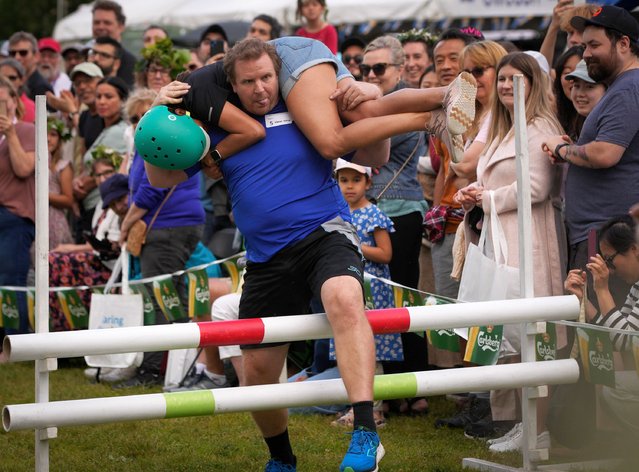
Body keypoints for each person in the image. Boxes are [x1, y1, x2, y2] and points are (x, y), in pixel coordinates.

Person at [145, 38, 383, 472]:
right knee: (257, 371)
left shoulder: (307, 108)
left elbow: (374, 153)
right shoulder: (213, 126)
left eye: (267, 78)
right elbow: (161, 176)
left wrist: (370, 97)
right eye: (249, 82)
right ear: (232, 86)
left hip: (324, 234)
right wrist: (158, 113)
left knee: (345, 298)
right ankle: (281, 459)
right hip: (265, 257)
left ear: (280, 74)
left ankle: (365, 431)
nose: (260, 89)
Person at [455, 52, 565, 452]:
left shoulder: (540, 128)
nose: (505, 86)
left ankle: (538, 428)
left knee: (531, 335)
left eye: (513, 79)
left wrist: (489, 198)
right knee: (505, 334)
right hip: (498, 237)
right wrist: (472, 196)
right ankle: (517, 423)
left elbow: (537, 187)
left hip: (529, 237)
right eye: (501, 78)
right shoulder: (503, 128)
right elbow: (488, 179)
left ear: (534, 82)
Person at [542, 5, 639, 306]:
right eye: (584, 46)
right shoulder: (622, 87)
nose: (585, 54)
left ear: (623, 44)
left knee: (602, 341)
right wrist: (571, 150)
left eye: (595, 45)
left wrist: (562, 149)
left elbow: (606, 153)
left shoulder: (627, 88)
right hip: (601, 234)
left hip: (605, 236)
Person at [360, 35, 429, 415]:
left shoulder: (404, 102)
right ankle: (391, 387)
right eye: (366, 68)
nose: (371, 74)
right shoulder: (371, 102)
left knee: (404, 297)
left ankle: (415, 385)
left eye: (380, 68)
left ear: (401, 70)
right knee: (377, 302)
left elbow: (370, 137)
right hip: (370, 209)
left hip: (401, 209)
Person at [331, 158, 401, 428]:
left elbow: (386, 254)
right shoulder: (336, 214)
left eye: (356, 180)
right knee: (349, 345)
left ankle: (376, 410)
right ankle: (355, 406)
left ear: (368, 182)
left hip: (373, 292)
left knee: (374, 349)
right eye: (343, 180)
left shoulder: (374, 215)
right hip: (347, 286)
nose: (349, 187)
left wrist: (355, 245)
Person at [564, 215, 639, 436]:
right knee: (615, 384)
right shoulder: (636, 288)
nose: (609, 270)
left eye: (609, 260)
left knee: (617, 390)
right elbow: (613, 335)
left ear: (634, 249)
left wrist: (602, 289)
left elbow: (626, 340)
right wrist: (584, 300)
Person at [0, 75, 35, 337]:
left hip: (15, 216)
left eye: (3, 102)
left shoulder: (28, 130)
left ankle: (16, 339)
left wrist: (10, 133)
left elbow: (24, 169)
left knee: (11, 280)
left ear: (14, 101)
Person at [91, 0, 136, 87]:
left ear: (121, 26)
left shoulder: (131, 64)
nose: (101, 27)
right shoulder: (83, 56)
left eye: (107, 23)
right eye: (96, 22)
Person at [47, 116, 74, 250]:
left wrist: (43, 195)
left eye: (53, 134)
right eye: (45, 133)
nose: (48, 139)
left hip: (54, 222)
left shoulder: (62, 166)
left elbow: (68, 199)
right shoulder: (30, 163)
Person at [7, 31, 53, 99]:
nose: (17, 57)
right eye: (12, 53)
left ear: (36, 56)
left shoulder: (41, 87)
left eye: (23, 53)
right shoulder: (9, 84)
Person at [552, 45, 584, 142]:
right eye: (567, 72)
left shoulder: (597, 118)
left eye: (580, 72)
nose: (573, 78)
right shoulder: (555, 115)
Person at [0, 58, 35, 122]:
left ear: (22, 80)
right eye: (2, 77)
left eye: (12, 78)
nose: (7, 81)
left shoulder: (29, 107)